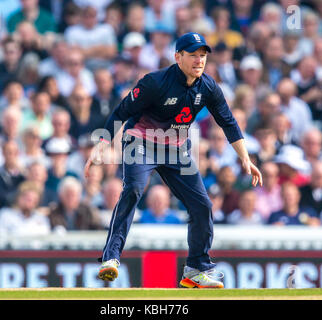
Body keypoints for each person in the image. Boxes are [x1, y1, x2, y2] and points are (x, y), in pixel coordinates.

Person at [84, 32, 262, 288]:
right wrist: (102, 144)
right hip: (140, 142)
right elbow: (122, 111)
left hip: (176, 149)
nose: (199, 60)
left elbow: (228, 121)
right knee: (133, 189)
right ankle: (110, 258)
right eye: (193, 55)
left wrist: (245, 158)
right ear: (177, 57)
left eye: (202, 56)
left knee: (202, 205)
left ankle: (196, 269)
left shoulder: (209, 86)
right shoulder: (154, 82)